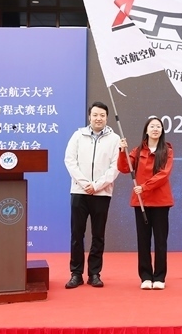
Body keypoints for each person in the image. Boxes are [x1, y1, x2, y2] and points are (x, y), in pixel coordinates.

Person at [63, 101, 120, 289]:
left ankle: (94, 273)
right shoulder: (78, 135)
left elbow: (115, 167)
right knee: (77, 234)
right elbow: (70, 161)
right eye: (95, 115)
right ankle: (76, 274)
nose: (98, 118)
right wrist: (84, 183)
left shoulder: (115, 139)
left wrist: (96, 185)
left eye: (102, 115)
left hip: (102, 193)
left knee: (98, 235)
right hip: (79, 192)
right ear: (89, 116)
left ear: (107, 118)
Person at [118, 117, 174, 290]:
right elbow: (124, 168)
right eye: (152, 126)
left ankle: (159, 277)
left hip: (160, 201)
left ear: (162, 131)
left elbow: (164, 174)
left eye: (158, 126)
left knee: (160, 240)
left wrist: (144, 187)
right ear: (146, 130)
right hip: (141, 202)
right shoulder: (137, 151)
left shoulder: (167, 151)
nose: (155, 129)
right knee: (143, 240)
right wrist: (122, 151)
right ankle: (146, 276)